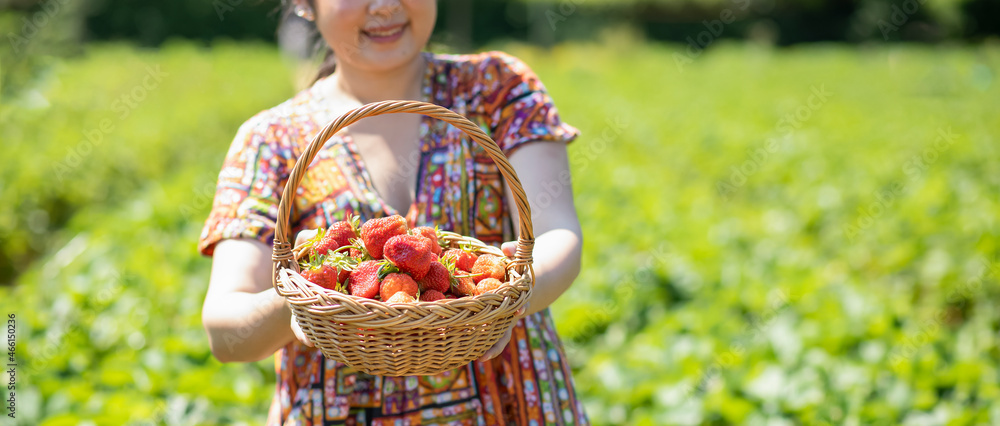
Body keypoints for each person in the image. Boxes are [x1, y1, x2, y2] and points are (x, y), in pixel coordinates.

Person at [198, 0, 588, 424]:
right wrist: (306, 296)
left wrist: (513, 293)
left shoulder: (497, 89)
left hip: (506, 400)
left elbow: (556, 233)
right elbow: (225, 330)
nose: (384, 6)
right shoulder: (270, 140)